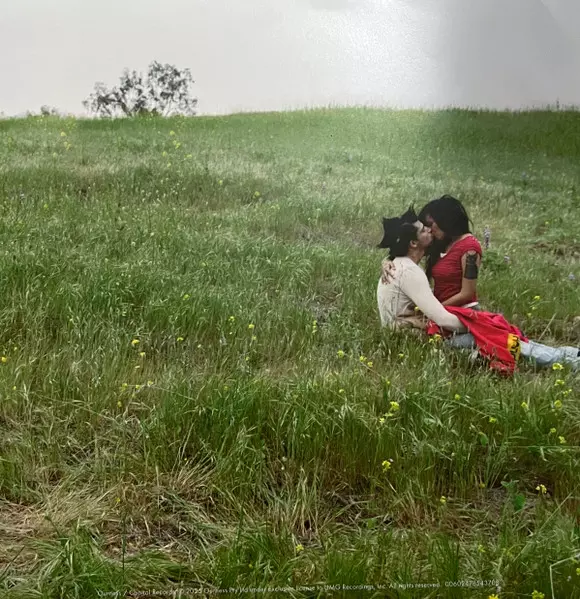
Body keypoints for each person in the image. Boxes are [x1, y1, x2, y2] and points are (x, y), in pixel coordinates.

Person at [377, 208, 580, 372]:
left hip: (412, 335)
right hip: (415, 340)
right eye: (423, 230)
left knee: (495, 335)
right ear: (413, 243)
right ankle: (565, 359)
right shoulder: (409, 272)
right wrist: (479, 324)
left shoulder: (398, 264)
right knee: (491, 337)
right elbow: (443, 320)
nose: (430, 230)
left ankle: (565, 354)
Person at [380, 195, 483, 309]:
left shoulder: (470, 248)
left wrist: (433, 310)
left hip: (463, 309)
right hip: (442, 308)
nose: (429, 230)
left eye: (430, 224)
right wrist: (388, 261)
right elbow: (408, 250)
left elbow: (467, 294)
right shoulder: (443, 242)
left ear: (445, 221)